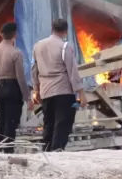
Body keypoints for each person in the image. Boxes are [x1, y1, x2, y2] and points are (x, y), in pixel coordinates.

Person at [31, 18, 87, 152]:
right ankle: (57, 151)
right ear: (66, 31)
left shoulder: (38, 46)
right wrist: (81, 93)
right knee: (63, 123)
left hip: (46, 91)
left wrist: (36, 90)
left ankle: (46, 151)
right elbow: (72, 71)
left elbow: (34, 69)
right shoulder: (65, 47)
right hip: (63, 92)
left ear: (52, 29)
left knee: (48, 123)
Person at [0, 22, 32, 153]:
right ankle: (8, 149)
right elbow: (20, 77)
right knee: (11, 120)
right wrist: (27, 97)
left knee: (1, 118)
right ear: (15, 35)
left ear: (1, 35)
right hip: (13, 88)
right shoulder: (16, 53)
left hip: (0, 88)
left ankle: (0, 147)